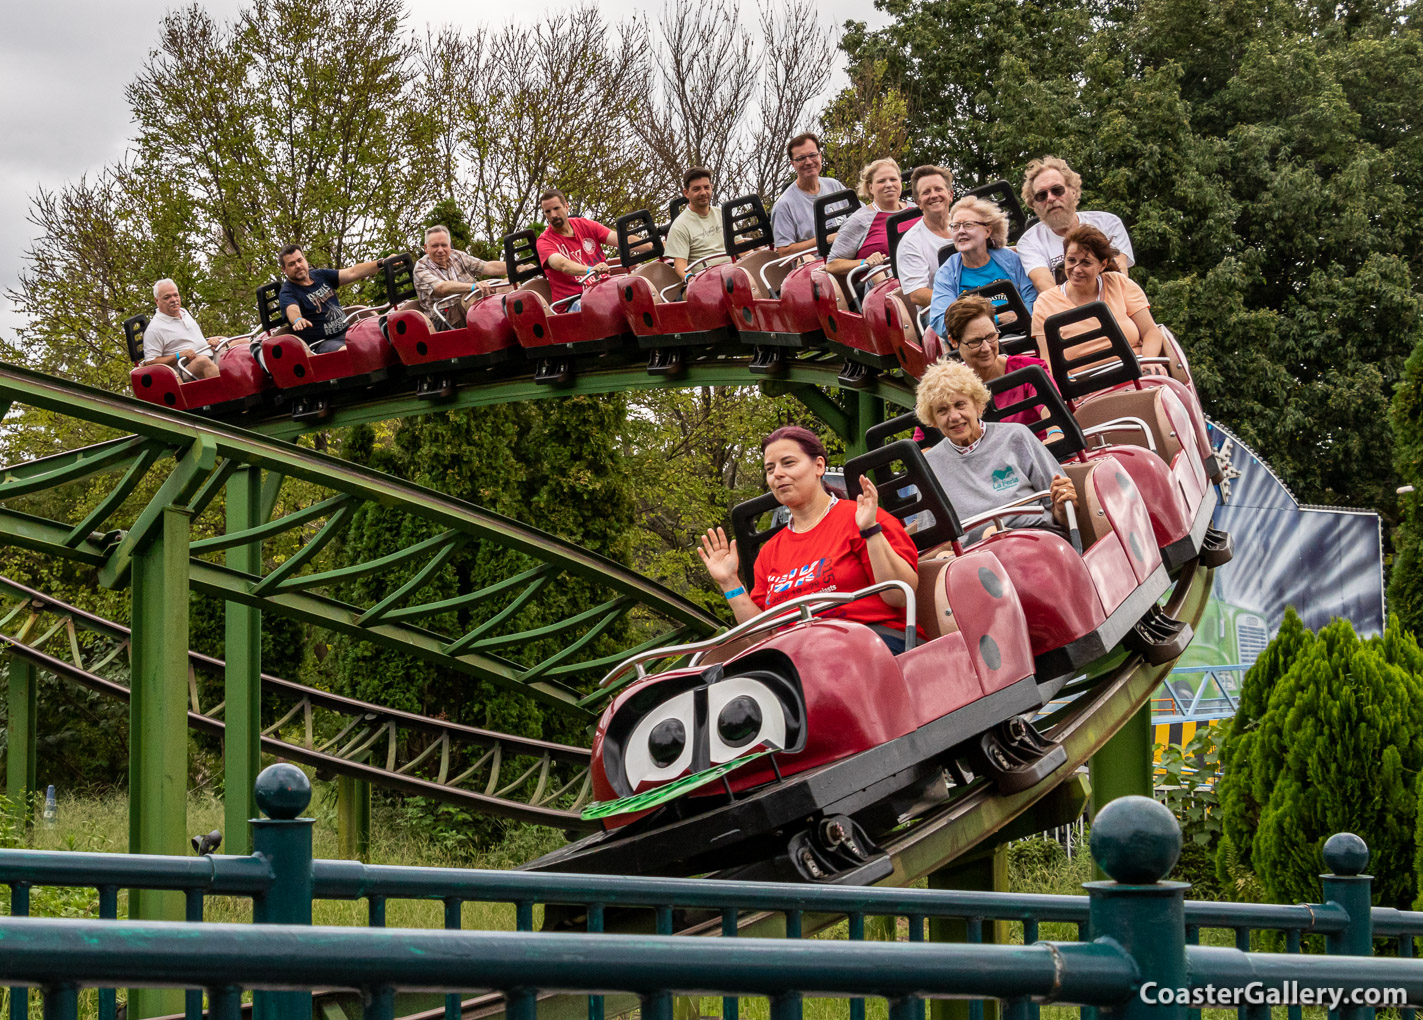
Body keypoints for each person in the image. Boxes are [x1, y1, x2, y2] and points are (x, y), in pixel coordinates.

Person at [697, 426, 921, 655]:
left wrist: (871, 531)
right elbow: (763, 637)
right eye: (770, 469)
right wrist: (730, 583)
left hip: (871, 644)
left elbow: (899, 596)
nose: (777, 474)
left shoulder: (862, 518)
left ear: (819, 466)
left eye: (788, 463)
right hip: (798, 656)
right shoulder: (770, 552)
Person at [916, 360, 1077, 546]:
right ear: (933, 420)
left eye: (960, 405)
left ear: (978, 405)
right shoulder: (929, 466)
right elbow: (933, 546)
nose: (954, 417)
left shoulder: (1016, 436)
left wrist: (1062, 507)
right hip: (977, 558)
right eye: (942, 411)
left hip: (1036, 540)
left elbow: (1065, 514)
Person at [1029, 224, 1165, 369]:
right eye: (1071, 260)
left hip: (1136, 370)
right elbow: (1048, 360)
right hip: (1084, 384)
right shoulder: (1045, 303)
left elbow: (1150, 331)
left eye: (1086, 263)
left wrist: (1149, 361)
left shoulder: (1118, 283)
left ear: (1102, 265)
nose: (1076, 269)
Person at [1017, 157, 1134, 294]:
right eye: (1041, 195)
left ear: (1073, 190)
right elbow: (1047, 289)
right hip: (1065, 311)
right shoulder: (1030, 242)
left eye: (1057, 190)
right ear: (1034, 204)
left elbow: (1119, 275)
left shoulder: (1108, 223)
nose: (1050, 198)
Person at [940, 296, 1058, 429]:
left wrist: (1054, 432)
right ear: (954, 341)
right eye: (975, 341)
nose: (986, 348)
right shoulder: (945, 386)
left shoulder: (1028, 370)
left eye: (991, 336)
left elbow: (1053, 414)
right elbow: (925, 444)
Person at [928, 196, 1037, 336]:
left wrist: (1021, 318)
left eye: (968, 225)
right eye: (955, 226)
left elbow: (1032, 299)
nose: (961, 231)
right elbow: (941, 322)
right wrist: (996, 319)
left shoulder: (1010, 259)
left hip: (1022, 333)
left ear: (988, 231)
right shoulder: (946, 273)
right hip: (976, 342)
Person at [825, 157, 912, 299]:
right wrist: (865, 262)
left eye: (893, 179)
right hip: (882, 285)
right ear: (870, 187)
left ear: (900, 182)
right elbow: (832, 265)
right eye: (881, 181)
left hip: (917, 272)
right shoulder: (859, 220)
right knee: (878, 271)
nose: (889, 185)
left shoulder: (915, 210)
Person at [277, 245, 388, 353]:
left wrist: (382, 263)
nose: (298, 266)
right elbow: (291, 309)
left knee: (381, 333)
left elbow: (352, 272)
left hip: (347, 333)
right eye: (291, 264)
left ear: (305, 260)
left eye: (299, 260)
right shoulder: (288, 292)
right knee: (349, 352)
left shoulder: (319, 275)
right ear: (284, 269)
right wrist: (297, 320)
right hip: (323, 343)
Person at [412, 225, 508, 330]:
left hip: (467, 309)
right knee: (472, 297)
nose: (440, 250)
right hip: (445, 319)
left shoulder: (457, 256)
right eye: (435, 246)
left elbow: (487, 267)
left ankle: (515, 328)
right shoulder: (420, 268)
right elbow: (441, 288)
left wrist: (517, 267)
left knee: (510, 284)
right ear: (426, 248)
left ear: (449, 245)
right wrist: (473, 287)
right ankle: (494, 332)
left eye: (444, 245)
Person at [535, 189, 616, 313]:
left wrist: (651, 245)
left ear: (566, 207)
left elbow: (619, 239)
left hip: (603, 289)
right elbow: (561, 264)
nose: (553, 215)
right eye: (548, 211)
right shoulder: (545, 241)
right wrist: (590, 270)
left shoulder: (584, 225)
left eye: (556, 208)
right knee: (598, 308)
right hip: (573, 301)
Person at [770, 132, 846, 255]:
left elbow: (859, 216)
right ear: (793, 164)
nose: (809, 162)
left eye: (812, 155)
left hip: (851, 255)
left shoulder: (834, 186)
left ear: (820, 157)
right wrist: (824, 239)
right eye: (801, 158)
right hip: (817, 266)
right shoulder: (784, 205)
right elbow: (784, 252)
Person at [894, 165, 955, 310]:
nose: (934, 195)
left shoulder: (969, 226)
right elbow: (917, 294)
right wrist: (963, 305)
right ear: (918, 203)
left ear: (950, 195)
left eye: (938, 189)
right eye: (926, 192)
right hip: (940, 310)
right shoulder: (911, 242)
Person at [142, 279, 220, 379]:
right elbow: (150, 362)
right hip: (185, 368)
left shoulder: (183, 312)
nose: (174, 300)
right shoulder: (154, 329)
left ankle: (245, 388)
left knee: (238, 342)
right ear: (157, 301)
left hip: (207, 353)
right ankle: (229, 393)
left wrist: (208, 341)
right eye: (167, 297)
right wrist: (179, 355)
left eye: (176, 295)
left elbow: (190, 339)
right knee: (203, 361)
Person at [665, 167, 730, 279]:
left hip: (733, 272)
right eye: (696, 189)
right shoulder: (680, 226)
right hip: (707, 279)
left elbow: (740, 246)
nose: (703, 193)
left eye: (706, 187)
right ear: (686, 193)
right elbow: (680, 264)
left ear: (711, 188)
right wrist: (690, 278)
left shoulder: (722, 214)